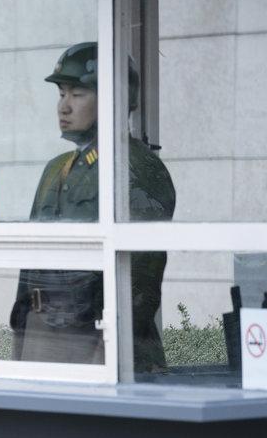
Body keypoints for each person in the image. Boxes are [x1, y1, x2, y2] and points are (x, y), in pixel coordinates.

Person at [10, 42, 176, 371]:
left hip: (98, 340)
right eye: (61, 93)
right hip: (46, 336)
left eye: (78, 93)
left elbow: (141, 278)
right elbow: (29, 264)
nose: (64, 107)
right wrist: (22, 331)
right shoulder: (55, 169)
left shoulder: (136, 168)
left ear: (114, 99)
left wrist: (110, 351)